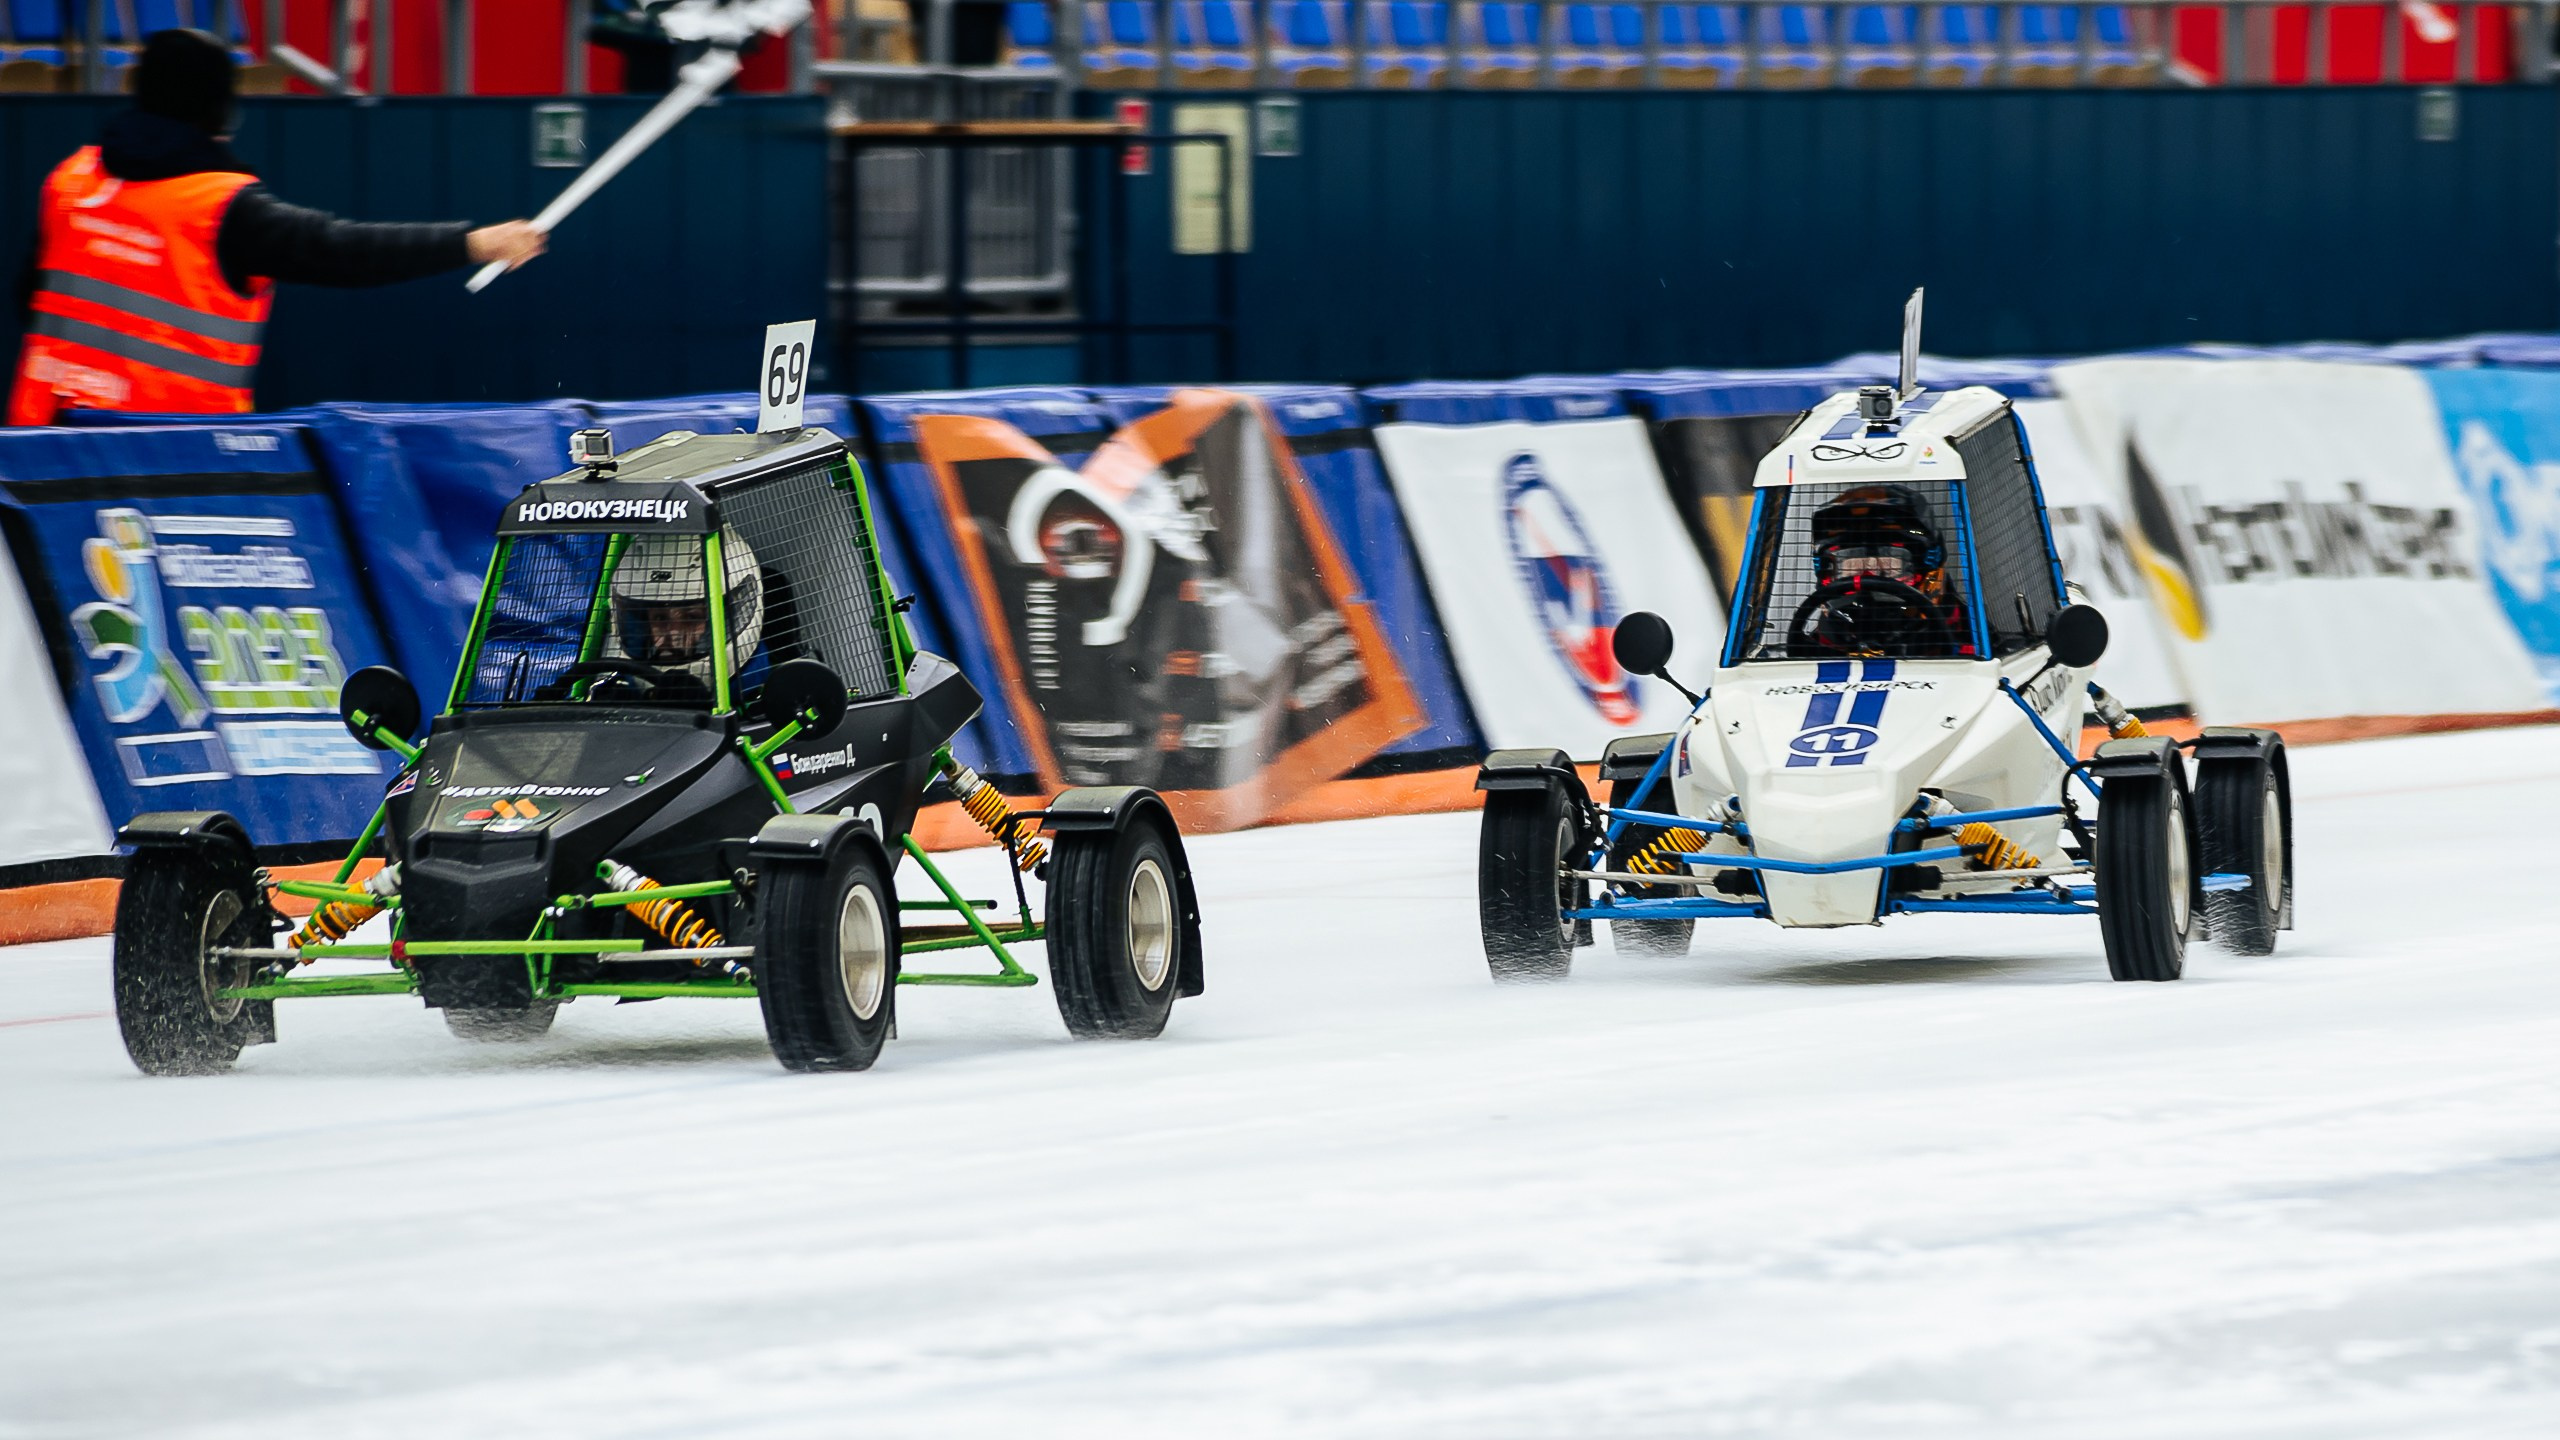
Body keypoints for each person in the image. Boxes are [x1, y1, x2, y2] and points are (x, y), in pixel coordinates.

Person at [7, 29, 548, 426]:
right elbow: (343, 251)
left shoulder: (72, 179)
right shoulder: (221, 208)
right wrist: (475, 243)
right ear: (219, 110)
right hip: (166, 454)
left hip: (45, 441)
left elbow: (29, 297)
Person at [1794, 484, 1977, 658]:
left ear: (1929, 573)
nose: (1869, 582)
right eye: (1855, 568)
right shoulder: (1806, 653)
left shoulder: (1979, 650)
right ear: (1826, 576)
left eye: (1886, 570)